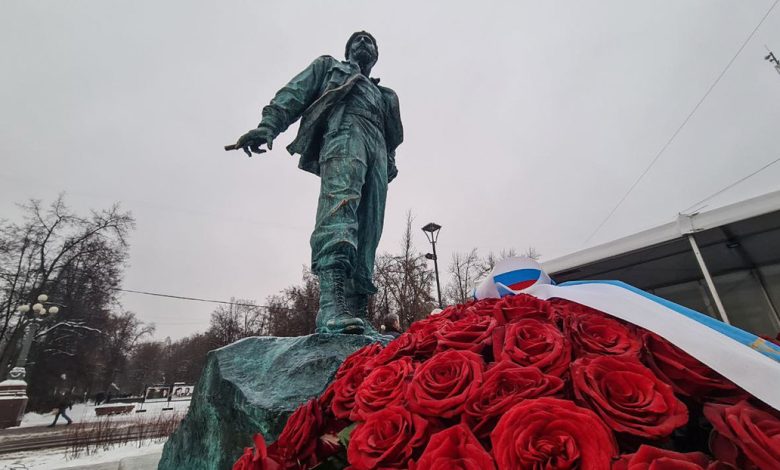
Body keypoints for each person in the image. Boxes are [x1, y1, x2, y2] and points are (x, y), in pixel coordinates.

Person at [230, 32, 403, 336]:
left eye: (370, 40)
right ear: (347, 50)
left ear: (375, 55)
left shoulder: (387, 96)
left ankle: (357, 310)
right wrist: (268, 125)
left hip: (377, 148)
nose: (363, 41)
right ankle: (332, 308)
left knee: (369, 229)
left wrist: (389, 160)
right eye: (357, 39)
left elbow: (393, 138)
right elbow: (294, 94)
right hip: (344, 132)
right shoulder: (329, 67)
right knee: (340, 208)